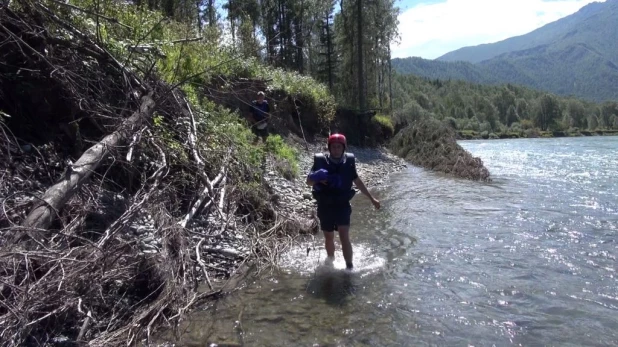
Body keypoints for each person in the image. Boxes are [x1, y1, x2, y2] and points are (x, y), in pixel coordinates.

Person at [306, 133, 381, 270]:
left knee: (344, 235)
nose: (336, 149)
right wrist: (317, 178)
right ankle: (331, 261)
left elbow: (357, 182)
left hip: (342, 204)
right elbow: (308, 182)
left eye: (339, 147)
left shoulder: (349, 162)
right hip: (325, 205)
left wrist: (372, 199)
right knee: (329, 236)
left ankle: (349, 266)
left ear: (343, 148)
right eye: (333, 147)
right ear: (329, 148)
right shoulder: (320, 161)